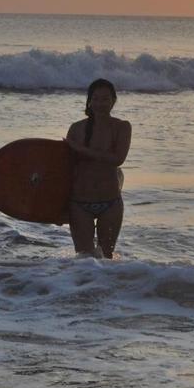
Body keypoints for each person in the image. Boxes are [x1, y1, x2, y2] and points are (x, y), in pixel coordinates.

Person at [64, 78, 131, 259]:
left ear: (113, 101)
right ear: (89, 101)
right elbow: (64, 168)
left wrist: (82, 150)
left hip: (110, 202)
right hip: (79, 203)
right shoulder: (76, 128)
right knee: (84, 260)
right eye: (96, 99)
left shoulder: (122, 127)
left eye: (105, 99)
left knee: (106, 258)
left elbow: (118, 159)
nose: (101, 103)